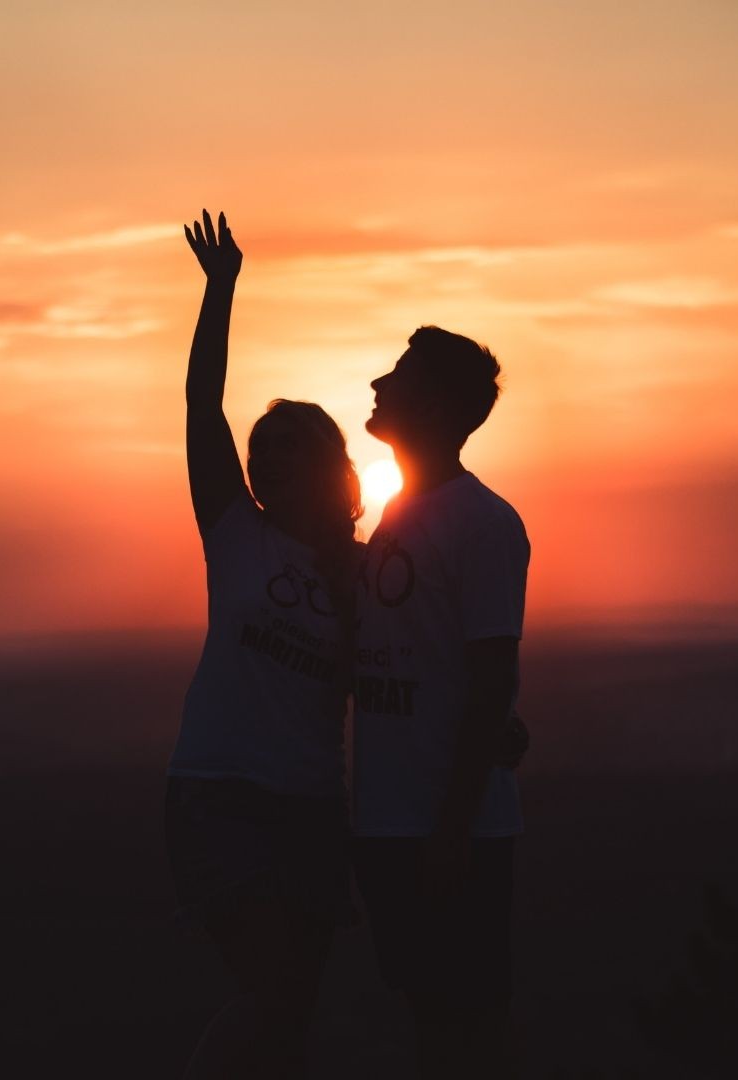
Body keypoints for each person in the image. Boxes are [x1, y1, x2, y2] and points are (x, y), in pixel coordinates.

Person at [165, 210, 365, 1079]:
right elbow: (201, 404)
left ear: (331, 464)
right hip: (220, 797)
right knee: (275, 994)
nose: (265, 457)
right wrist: (221, 289)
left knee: (296, 1016)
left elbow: (408, 675)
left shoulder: (369, 573)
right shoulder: (234, 533)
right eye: (259, 447)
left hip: (313, 808)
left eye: (288, 445)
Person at [350, 326, 530, 1078]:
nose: (376, 385)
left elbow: (492, 680)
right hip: (390, 822)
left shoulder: (485, 524)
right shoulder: (397, 519)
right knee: (429, 1020)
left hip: (449, 830)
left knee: (463, 1030)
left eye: (398, 375)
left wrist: (451, 832)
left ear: (433, 405)